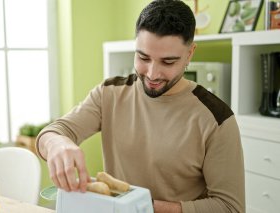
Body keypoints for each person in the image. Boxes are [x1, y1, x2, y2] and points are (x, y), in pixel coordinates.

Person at [36, 0, 245, 212]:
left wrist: (144, 206)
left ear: (190, 53)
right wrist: (57, 144)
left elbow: (230, 207)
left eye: (168, 62)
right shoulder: (110, 93)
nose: (152, 74)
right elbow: (53, 132)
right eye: (143, 57)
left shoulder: (217, 119)